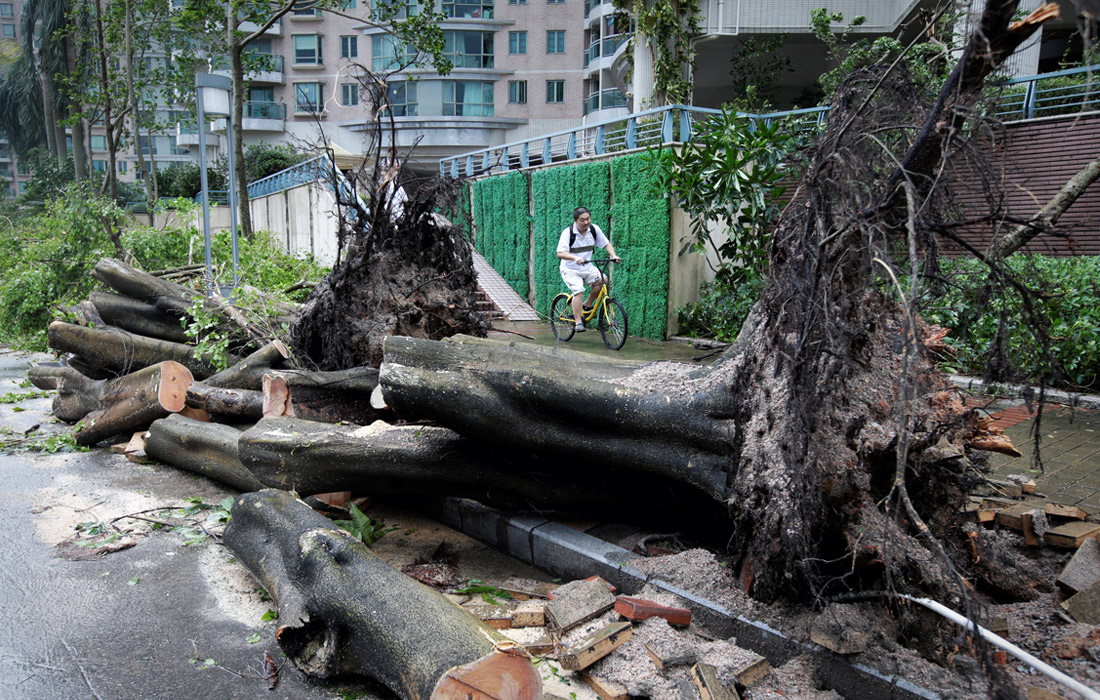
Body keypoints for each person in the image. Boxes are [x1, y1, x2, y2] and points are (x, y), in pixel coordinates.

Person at [556, 206, 620, 332]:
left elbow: (606, 243)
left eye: (588, 219)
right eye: (582, 220)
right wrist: (575, 258)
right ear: (575, 221)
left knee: (603, 281)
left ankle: (587, 304)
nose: (586, 222)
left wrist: (613, 255)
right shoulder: (568, 233)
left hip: (587, 266)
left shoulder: (593, 229)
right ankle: (578, 322)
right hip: (570, 269)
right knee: (578, 290)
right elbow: (560, 253)